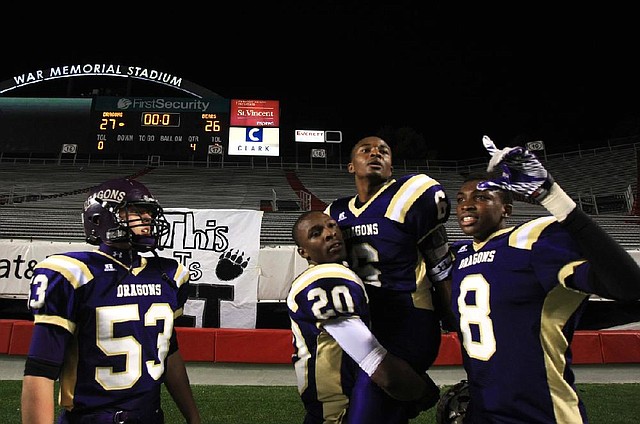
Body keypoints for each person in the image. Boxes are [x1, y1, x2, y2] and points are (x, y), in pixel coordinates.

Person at [447, 136, 640, 423]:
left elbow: (628, 287)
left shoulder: (531, 241)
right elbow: (522, 314)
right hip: (484, 408)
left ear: (506, 210)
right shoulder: (458, 256)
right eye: (461, 199)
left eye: (482, 197)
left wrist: (553, 198)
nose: (467, 205)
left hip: (540, 411)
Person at [21, 178, 201, 424]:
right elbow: (40, 370)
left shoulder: (169, 275)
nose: (147, 218)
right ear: (99, 219)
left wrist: (193, 416)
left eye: (148, 211)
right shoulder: (73, 274)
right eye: (134, 211)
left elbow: (168, 350)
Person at [324, 136, 454, 423]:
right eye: (365, 150)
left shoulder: (411, 194)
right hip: (365, 323)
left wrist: (453, 315)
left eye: (383, 151)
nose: (375, 153)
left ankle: (422, 393)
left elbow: (440, 264)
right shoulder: (335, 213)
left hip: (410, 319)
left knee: (368, 402)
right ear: (350, 166)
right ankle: (421, 395)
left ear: (391, 165)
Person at [288, 210, 441, 423]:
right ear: (303, 252)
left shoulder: (342, 275)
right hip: (342, 413)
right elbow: (373, 360)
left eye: (332, 225)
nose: (330, 233)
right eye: (316, 233)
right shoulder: (325, 277)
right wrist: (421, 391)